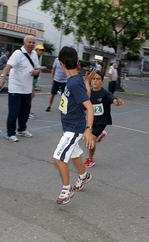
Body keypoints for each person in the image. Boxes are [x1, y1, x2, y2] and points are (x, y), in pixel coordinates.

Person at [52, 46, 95, 204]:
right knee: (74, 153)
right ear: (77, 62)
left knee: (59, 157)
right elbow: (86, 97)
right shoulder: (76, 80)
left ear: (61, 63)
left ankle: (66, 189)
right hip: (70, 125)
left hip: (74, 127)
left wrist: (89, 130)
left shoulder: (74, 83)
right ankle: (84, 176)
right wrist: (87, 82)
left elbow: (89, 106)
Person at [0, 35, 41, 142]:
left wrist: (36, 72)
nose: (31, 44)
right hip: (16, 87)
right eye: (29, 42)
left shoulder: (34, 54)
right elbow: (8, 66)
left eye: (33, 42)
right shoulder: (18, 53)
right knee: (14, 111)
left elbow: (37, 68)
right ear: (24, 43)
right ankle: (10, 133)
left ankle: (22, 129)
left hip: (27, 87)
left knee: (25, 111)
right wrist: (2, 76)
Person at [84, 71, 124, 168]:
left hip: (102, 120)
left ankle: (90, 159)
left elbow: (113, 99)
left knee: (91, 140)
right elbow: (85, 106)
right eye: (93, 79)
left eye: (97, 79)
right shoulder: (88, 93)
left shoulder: (105, 93)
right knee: (89, 138)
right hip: (92, 120)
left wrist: (117, 102)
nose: (95, 81)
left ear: (102, 82)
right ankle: (100, 135)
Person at [29, 44, 47, 119]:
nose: (41, 52)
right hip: (31, 79)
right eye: (40, 50)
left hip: (33, 80)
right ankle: (26, 112)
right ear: (36, 50)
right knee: (30, 96)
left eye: (42, 50)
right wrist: (40, 68)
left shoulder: (37, 57)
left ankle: (28, 110)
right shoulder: (33, 56)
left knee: (31, 96)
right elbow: (34, 67)